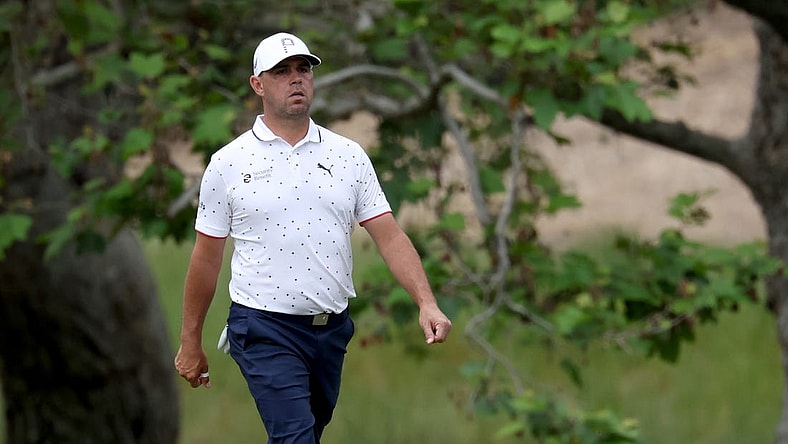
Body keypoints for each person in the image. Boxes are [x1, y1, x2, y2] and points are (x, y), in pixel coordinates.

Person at [173, 32, 452, 444]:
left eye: (303, 69)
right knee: (295, 438)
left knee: (304, 436)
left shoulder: (348, 156)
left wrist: (426, 302)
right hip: (263, 327)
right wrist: (190, 342)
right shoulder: (228, 163)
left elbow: (390, 236)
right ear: (258, 85)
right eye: (281, 72)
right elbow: (206, 258)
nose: (296, 78)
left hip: (331, 330)